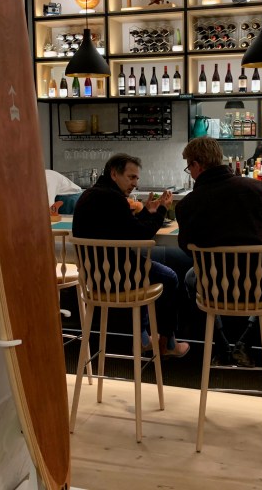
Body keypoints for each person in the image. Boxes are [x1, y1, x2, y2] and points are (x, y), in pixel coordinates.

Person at [175, 137, 262, 367]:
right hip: (257, 287)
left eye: (189, 167)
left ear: (198, 165)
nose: (190, 173)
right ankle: (246, 343)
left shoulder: (187, 204)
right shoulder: (255, 188)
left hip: (213, 287)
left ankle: (220, 346)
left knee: (190, 278)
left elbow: (187, 248)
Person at [73, 153, 189, 358]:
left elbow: (123, 229)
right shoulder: (113, 199)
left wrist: (146, 212)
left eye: (136, 178)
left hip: (94, 278)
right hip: (117, 277)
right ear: (114, 174)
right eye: (131, 177)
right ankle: (168, 343)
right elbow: (140, 236)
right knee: (169, 276)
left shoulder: (89, 195)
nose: (135, 183)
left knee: (141, 271)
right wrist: (162, 210)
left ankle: (143, 338)